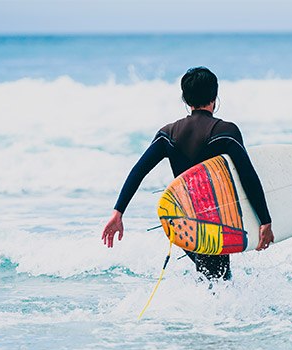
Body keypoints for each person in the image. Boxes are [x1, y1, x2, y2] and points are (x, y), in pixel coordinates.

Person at [102, 67, 274, 281]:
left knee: (211, 278)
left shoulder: (168, 133)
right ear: (215, 96)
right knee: (219, 280)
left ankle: (196, 311)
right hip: (216, 220)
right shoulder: (226, 132)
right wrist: (265, 220)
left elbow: (139, 171)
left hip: (182, 223)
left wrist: (118, 212)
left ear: (185, 98)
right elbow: (248, 176)